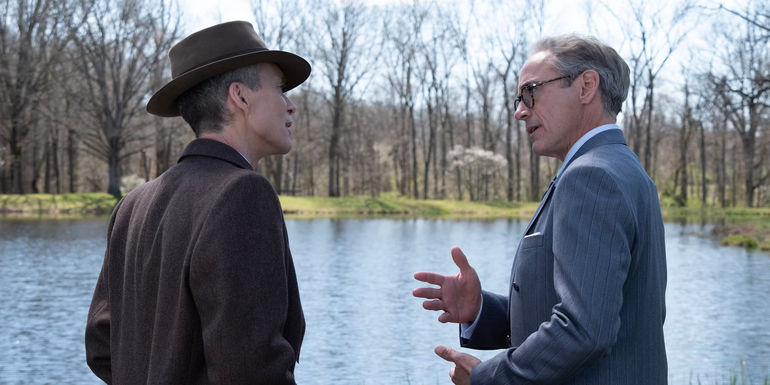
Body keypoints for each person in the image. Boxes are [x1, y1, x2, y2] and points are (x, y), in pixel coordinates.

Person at [413, 34, 667, 385]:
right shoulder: (623, 168)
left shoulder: (590, 176)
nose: (520, 111)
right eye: (519, 98)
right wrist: (481, 310)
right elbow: (594, 313)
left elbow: (583, 330)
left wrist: (488, 378)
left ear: (586, 86)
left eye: (531, 91)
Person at [85, 21, 310, 384]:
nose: (290, 105)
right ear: (241, 96)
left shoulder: (133, 205)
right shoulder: (242, 194)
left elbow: (101, 347)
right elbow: (251, 369)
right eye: (280, 89)